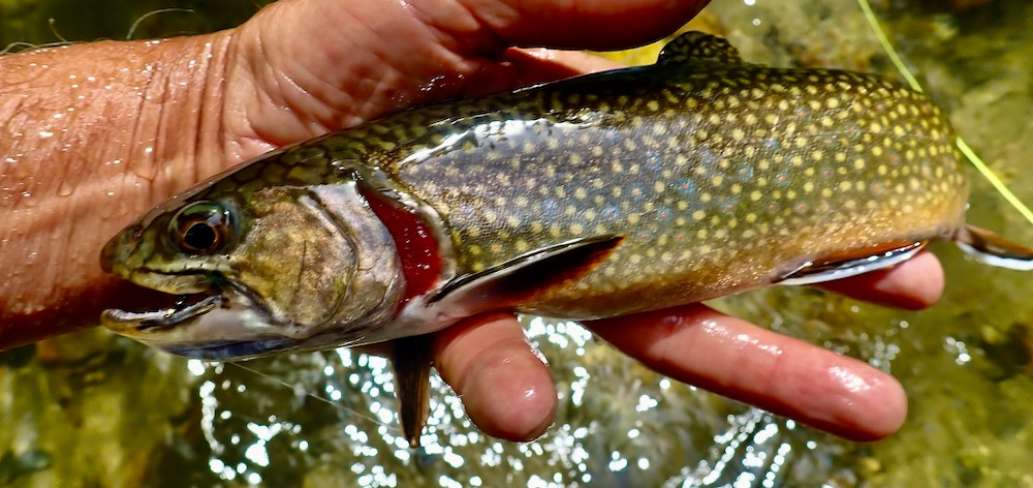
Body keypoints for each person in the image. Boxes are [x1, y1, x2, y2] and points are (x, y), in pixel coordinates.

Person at [0, 0, 944, 442]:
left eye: (209, 237)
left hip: (883, 152)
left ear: (377, 217)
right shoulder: (403, 255)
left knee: (915, 263)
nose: (180, 258)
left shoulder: (423, 240)